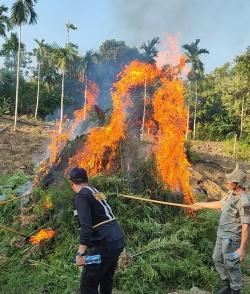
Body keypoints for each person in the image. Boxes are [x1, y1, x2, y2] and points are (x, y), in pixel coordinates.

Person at [193, 166, 250, 294]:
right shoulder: (231, 193)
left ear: (237, 184)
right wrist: (200, 205)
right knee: (216, 258)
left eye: (230, 181)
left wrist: (242, 248)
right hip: (221, 234)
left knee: (231, 263)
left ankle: (236, 289)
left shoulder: (245, 201)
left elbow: (246, 225)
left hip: (232, 238)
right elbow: (219, 204)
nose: (227, 182)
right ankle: (227, 284)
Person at [69, 167, 125, 294]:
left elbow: (86, 226)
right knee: (106, 278)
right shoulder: (95, 191)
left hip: (104, 242)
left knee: (88, 285)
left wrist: (81, 253)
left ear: (71, 183)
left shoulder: (81, 196)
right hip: (117, 238)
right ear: (86, 179)